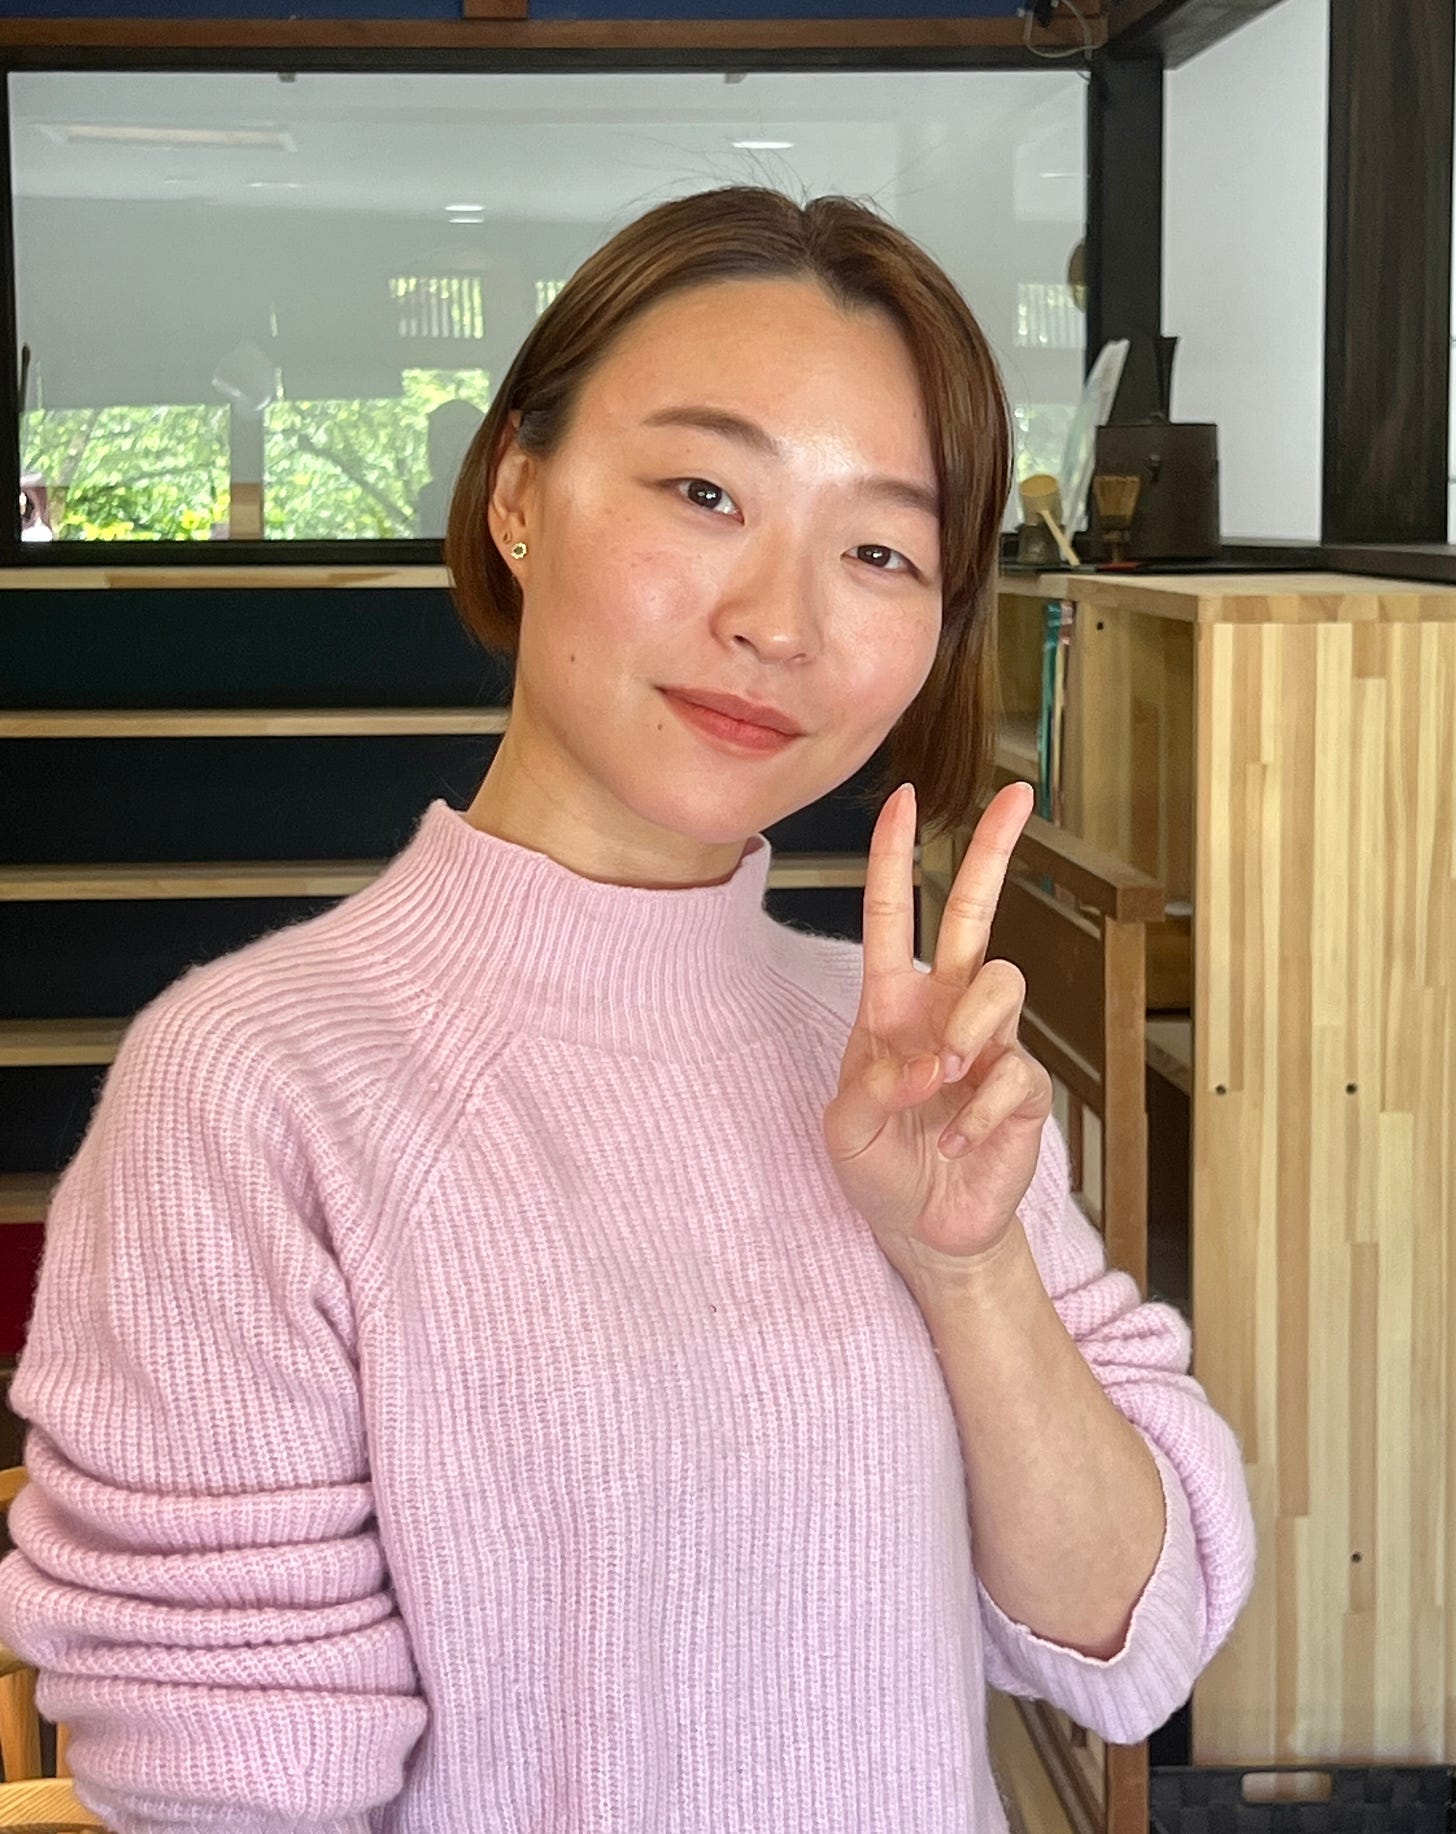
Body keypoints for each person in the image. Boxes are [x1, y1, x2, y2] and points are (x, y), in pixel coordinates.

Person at [0, 183, 1255, 1832]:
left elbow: (1136, 1639)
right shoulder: (252, 1089)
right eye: (705, 490)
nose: (780, 621)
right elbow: (236, 1798)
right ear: (518, 495)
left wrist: (971, 1272)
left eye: (881, 549)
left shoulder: (901, 1061)